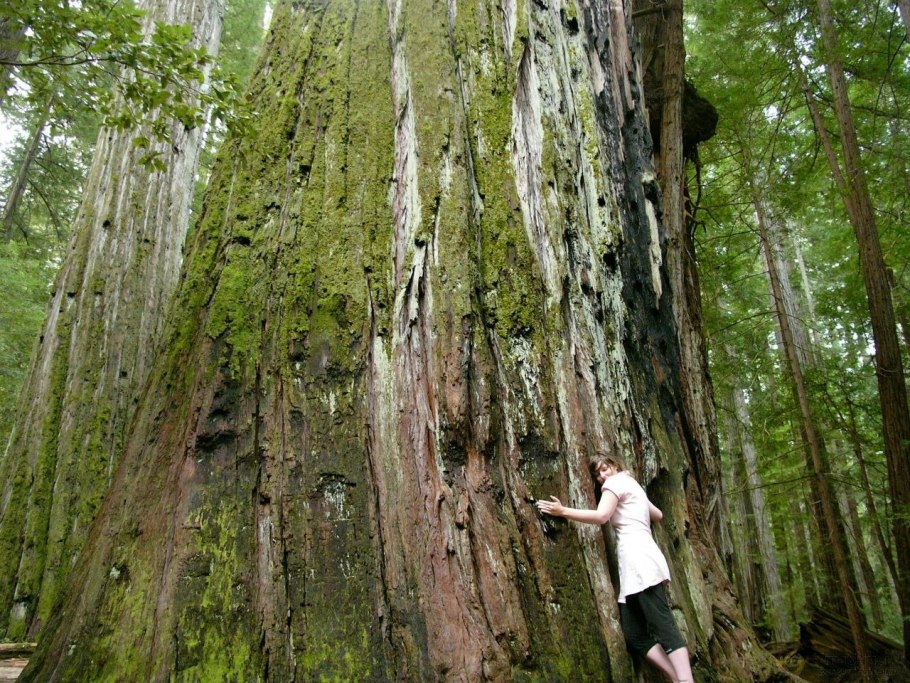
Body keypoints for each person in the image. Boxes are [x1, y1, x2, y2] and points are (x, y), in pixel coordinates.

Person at [535, 454, 694, 683]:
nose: (602, 476)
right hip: (638, 564)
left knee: (663, 626)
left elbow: (601, 516)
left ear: (615, 465)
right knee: (634, 634)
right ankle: (676, 677)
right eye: (597, 474)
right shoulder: (631, 484)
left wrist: (563, 511)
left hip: (640, 561)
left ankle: (686, 680)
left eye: (605, 468)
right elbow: (658, 514)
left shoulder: (614, 483)